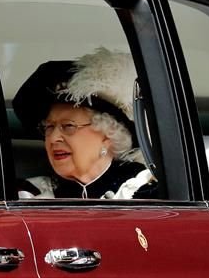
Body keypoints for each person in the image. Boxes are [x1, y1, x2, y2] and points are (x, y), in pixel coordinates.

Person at [12, 47, 158, 199]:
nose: (53, 138)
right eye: (49, 127)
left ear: (108, 135)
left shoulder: (143, 189)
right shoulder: (32, 195)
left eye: (68, 126)